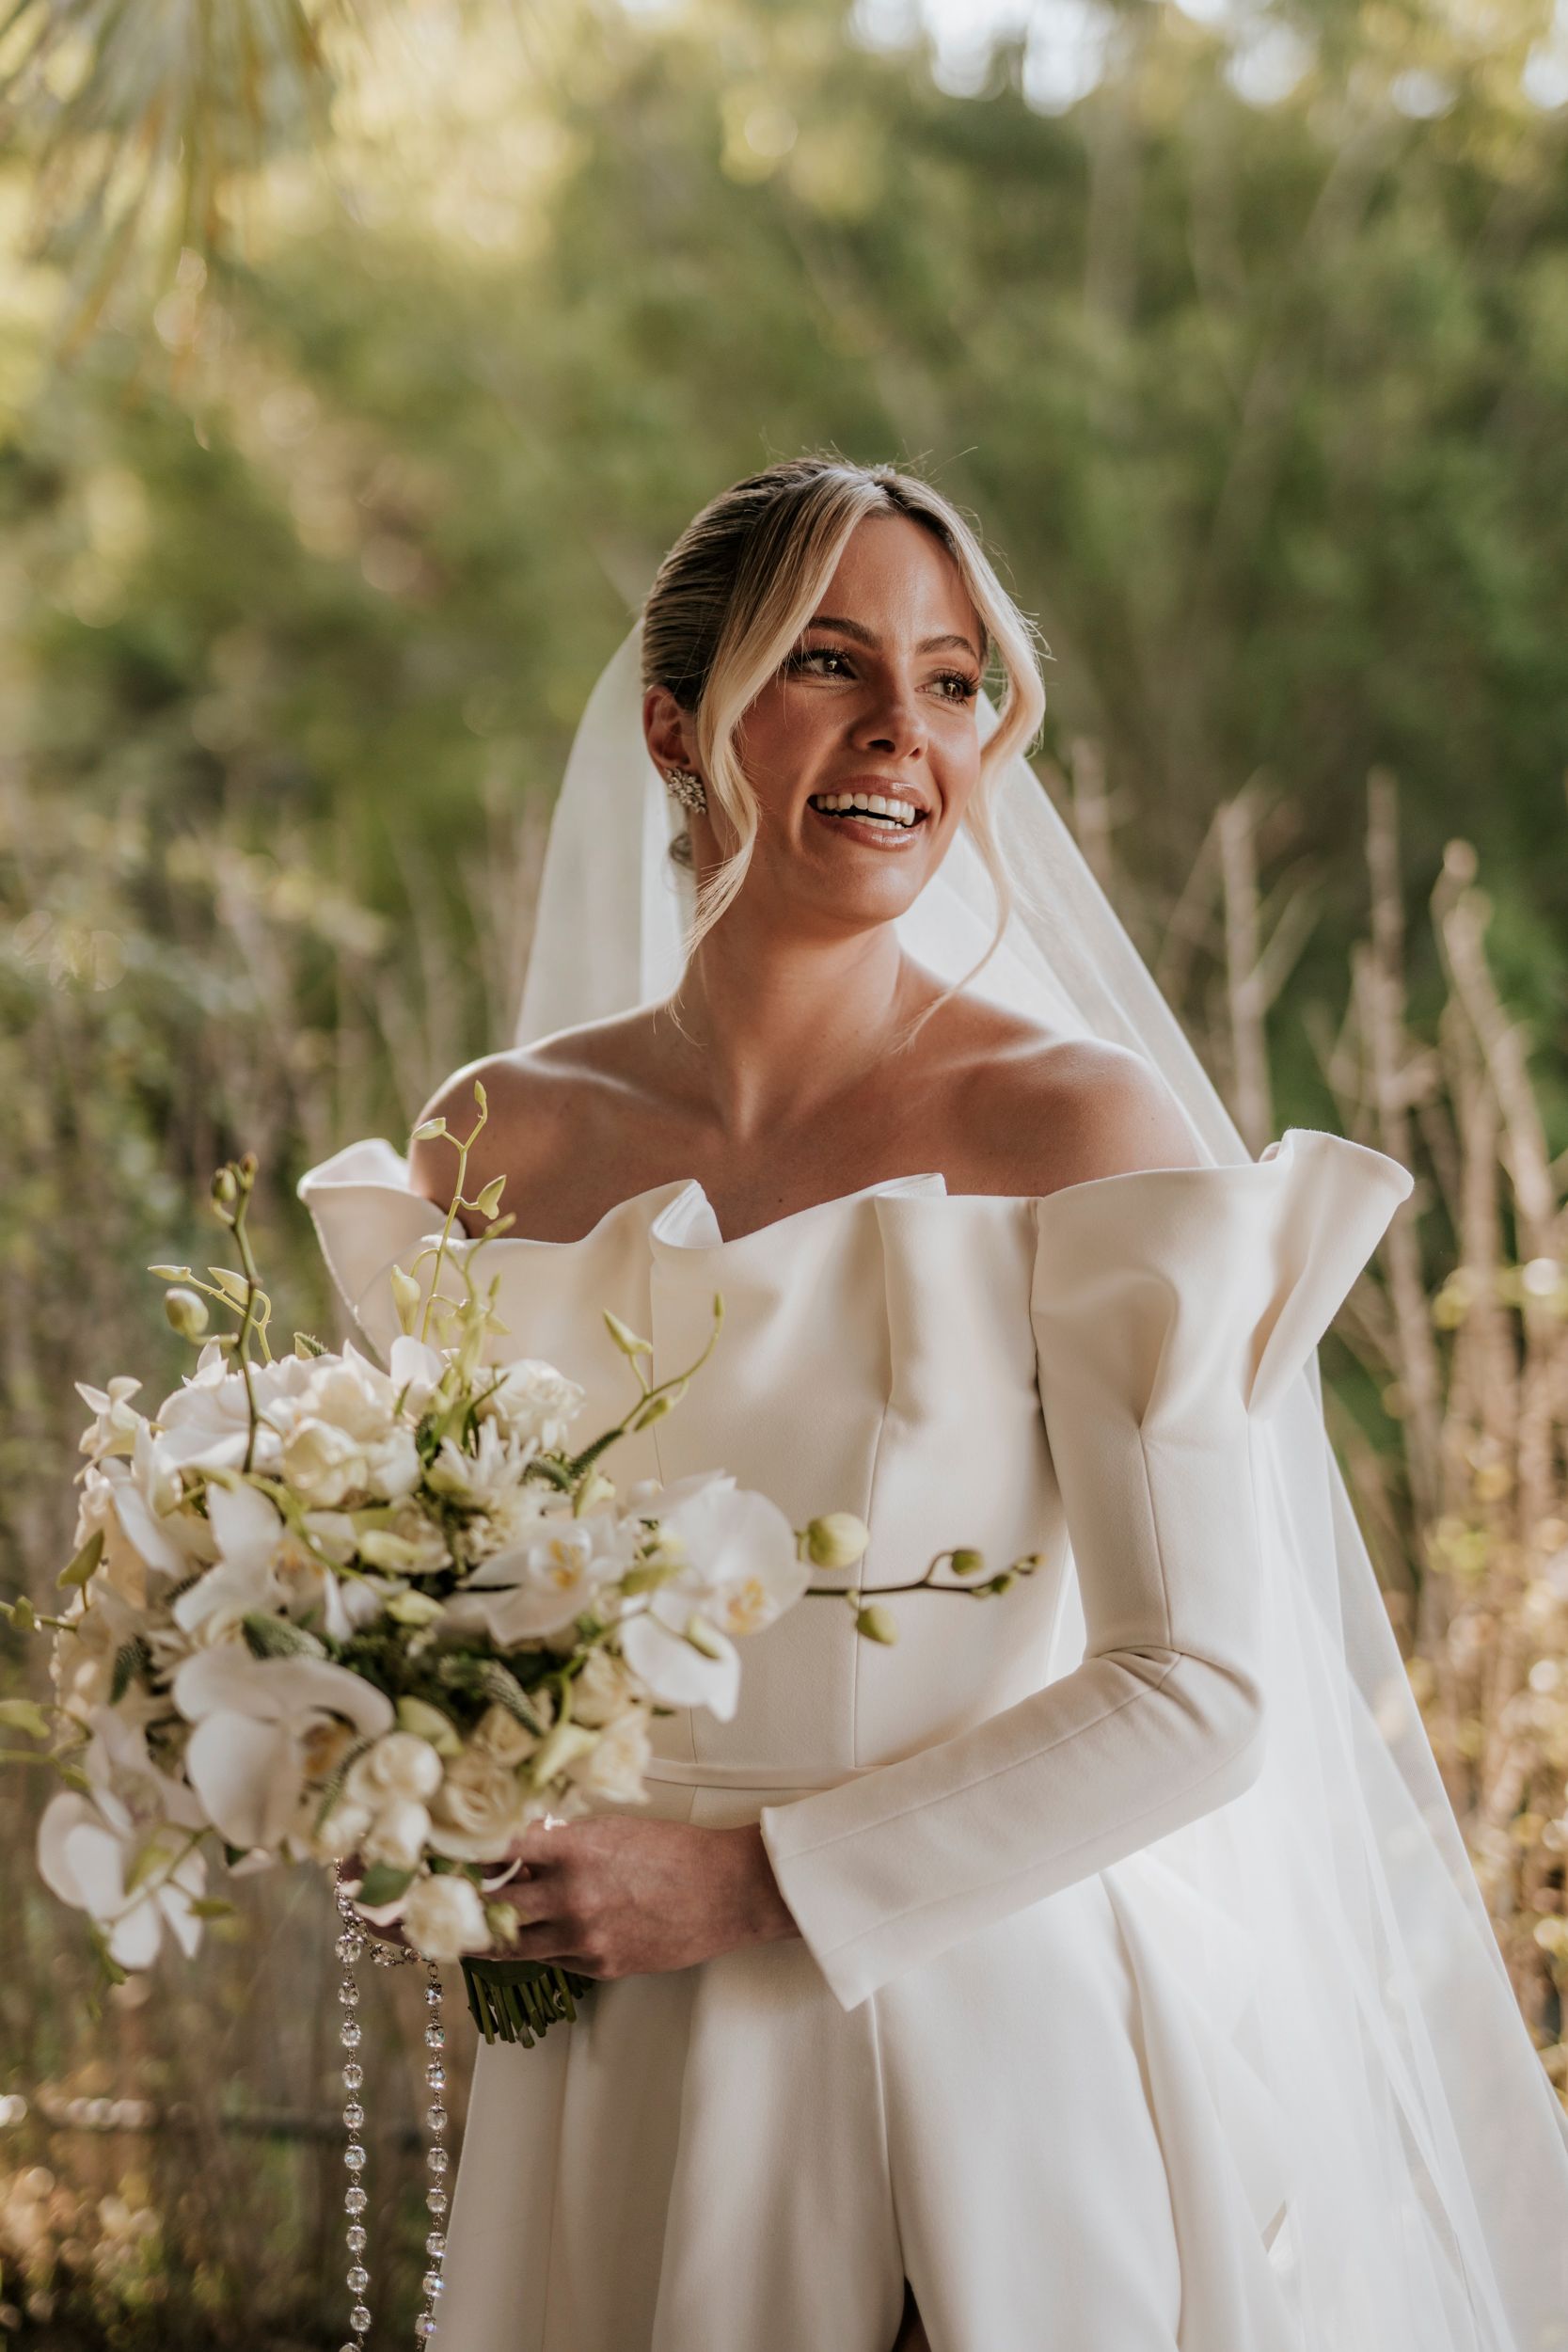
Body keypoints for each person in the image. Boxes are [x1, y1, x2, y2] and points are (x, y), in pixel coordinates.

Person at [299, 456, 1568, 2351]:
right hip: (608, 2069)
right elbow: (453, 1608)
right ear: (677, 722)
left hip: (968, 2060)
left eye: (961, 678)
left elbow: (1198, 1693)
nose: (909, 727)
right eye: (830, 660)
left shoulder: (1077, 1128)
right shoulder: (502, 1135)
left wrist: (741, 1883)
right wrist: (405, 1789)